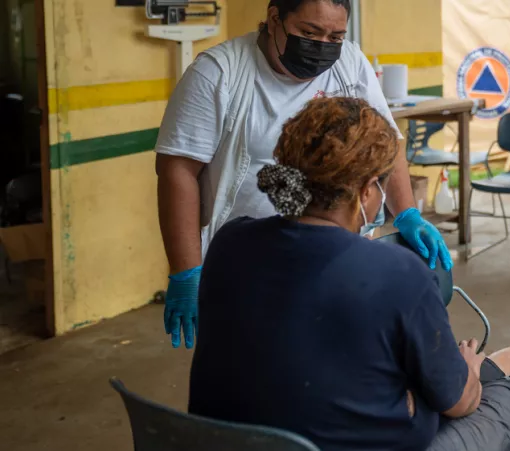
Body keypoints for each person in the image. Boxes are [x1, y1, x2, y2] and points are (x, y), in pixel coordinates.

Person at [189, 97, 510, 451]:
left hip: (232, 443)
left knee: (437, 376)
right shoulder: (396, 272)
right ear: (368, 191)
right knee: (503, 400)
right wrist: (460, 382)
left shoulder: (230, 242)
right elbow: (462, 403)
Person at [154, 0, 452, 349]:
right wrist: (186, 271)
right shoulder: (219, 73)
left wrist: (407, 212)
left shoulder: (350, 63)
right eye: (309, 33)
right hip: (250, 265)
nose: (323, 46)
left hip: (337, 258)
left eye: (335, 37)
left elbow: (387, 140)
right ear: (274, 17)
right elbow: (178, 171)